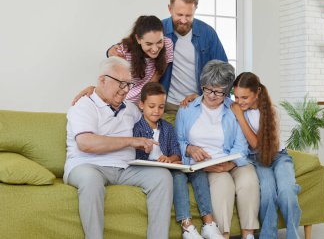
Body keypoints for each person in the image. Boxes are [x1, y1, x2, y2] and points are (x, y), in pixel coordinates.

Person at [64, 56, 173, 239]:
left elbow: (154, 118)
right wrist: (131, 141)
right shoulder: (83, 106)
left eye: (128, 85)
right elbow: (86, 143)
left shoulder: (130, 109)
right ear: (102, 80)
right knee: (91, 181)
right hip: (87, 165)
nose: (125, 90)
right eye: (121, 84)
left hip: (125, 168)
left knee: (162, 177)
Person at [175, 60, 260, 239]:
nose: (213, 95)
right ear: (202, 86)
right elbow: (178, 142)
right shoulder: (187, 109)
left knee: (249, 180)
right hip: (207, 165)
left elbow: (241, 147)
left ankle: (248, 235)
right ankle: (223, 235)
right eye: (208, 89)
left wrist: (229, 164)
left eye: (219, 91)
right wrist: (190, 149)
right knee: (223, 185)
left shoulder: (233, 109)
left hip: (234, 161)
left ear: (227, 90)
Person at [108, 0, 228, 113]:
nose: (183, 20)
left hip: (199, 103)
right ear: (170, 9)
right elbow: (132, 44)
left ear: (195, 10)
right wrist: (110, 51)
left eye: (188, 15)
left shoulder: (207, 33)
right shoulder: (159, 29)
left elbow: (223, 70)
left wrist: (208, 97)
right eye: (179, 14)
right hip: (165, 104)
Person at [133, 82, 223, 239]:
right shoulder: (137, 129)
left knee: (199, 173)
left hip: (170, 165)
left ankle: (208, 223)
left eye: (161, 107)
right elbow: (138, 159)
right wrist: (161, 162)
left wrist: (170, 159)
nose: (156, 111)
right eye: (152, 106)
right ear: (142, 105)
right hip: (153, 170)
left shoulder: (167, 127)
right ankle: (187, 226)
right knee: (179, 177)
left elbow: (176, 152)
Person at [231, 72, 301, 239]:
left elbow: (256, 144)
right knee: (268, 192)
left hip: (278, 156)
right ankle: (268, 236)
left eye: (244, 97)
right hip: (256, 160)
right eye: (236, 97)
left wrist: (240, 117)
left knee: (286, 192)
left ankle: (293, 235)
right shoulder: (236, 109)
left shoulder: (272, 112)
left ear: (257, 92)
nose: (239, 102)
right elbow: (212, 98)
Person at [72, 15, 173, 105]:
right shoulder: (124, 51)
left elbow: (155, 79)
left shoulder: (167, 44)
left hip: (142, 103)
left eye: (159, 42)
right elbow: (111, 82)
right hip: (120, 101)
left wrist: (143, 104)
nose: (155, 49)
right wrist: (95, 90)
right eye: (149, 44)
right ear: (138, 39)